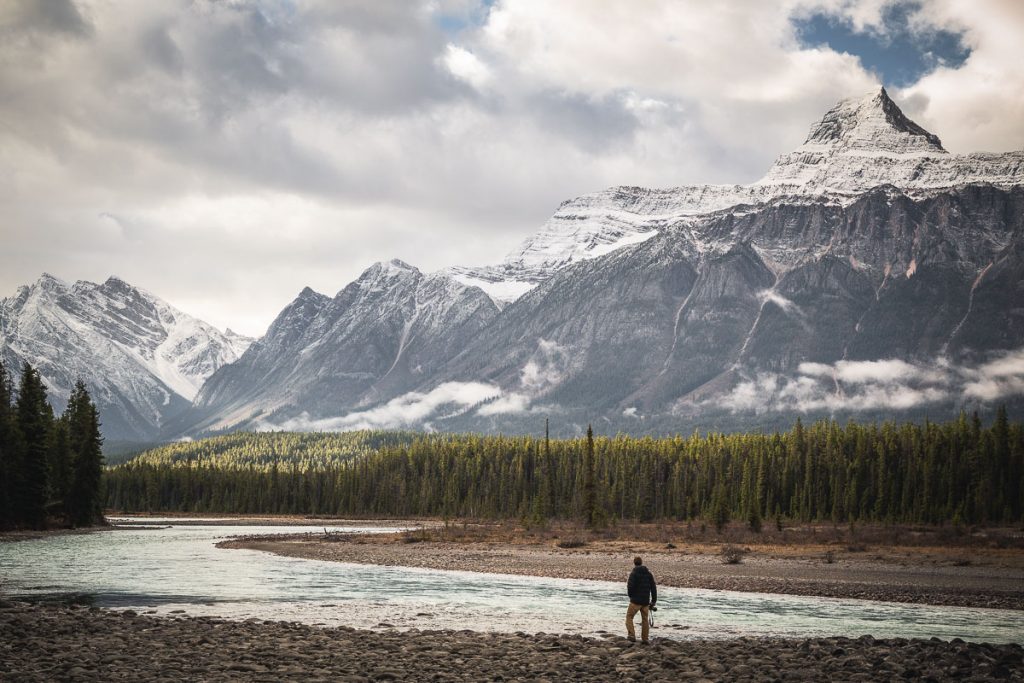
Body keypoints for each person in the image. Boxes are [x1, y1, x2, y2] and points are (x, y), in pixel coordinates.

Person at [625, 556, 657, 644]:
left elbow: (630, 587)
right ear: (641, 562)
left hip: (635, 601)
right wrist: (653, 601)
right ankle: (645, 639)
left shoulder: (633, 573)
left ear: (634, 563)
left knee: (629, 617)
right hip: (645, 601)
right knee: (645, 620)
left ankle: (632, 635)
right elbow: (653, 588)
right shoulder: (649, 574)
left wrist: (631, 596)